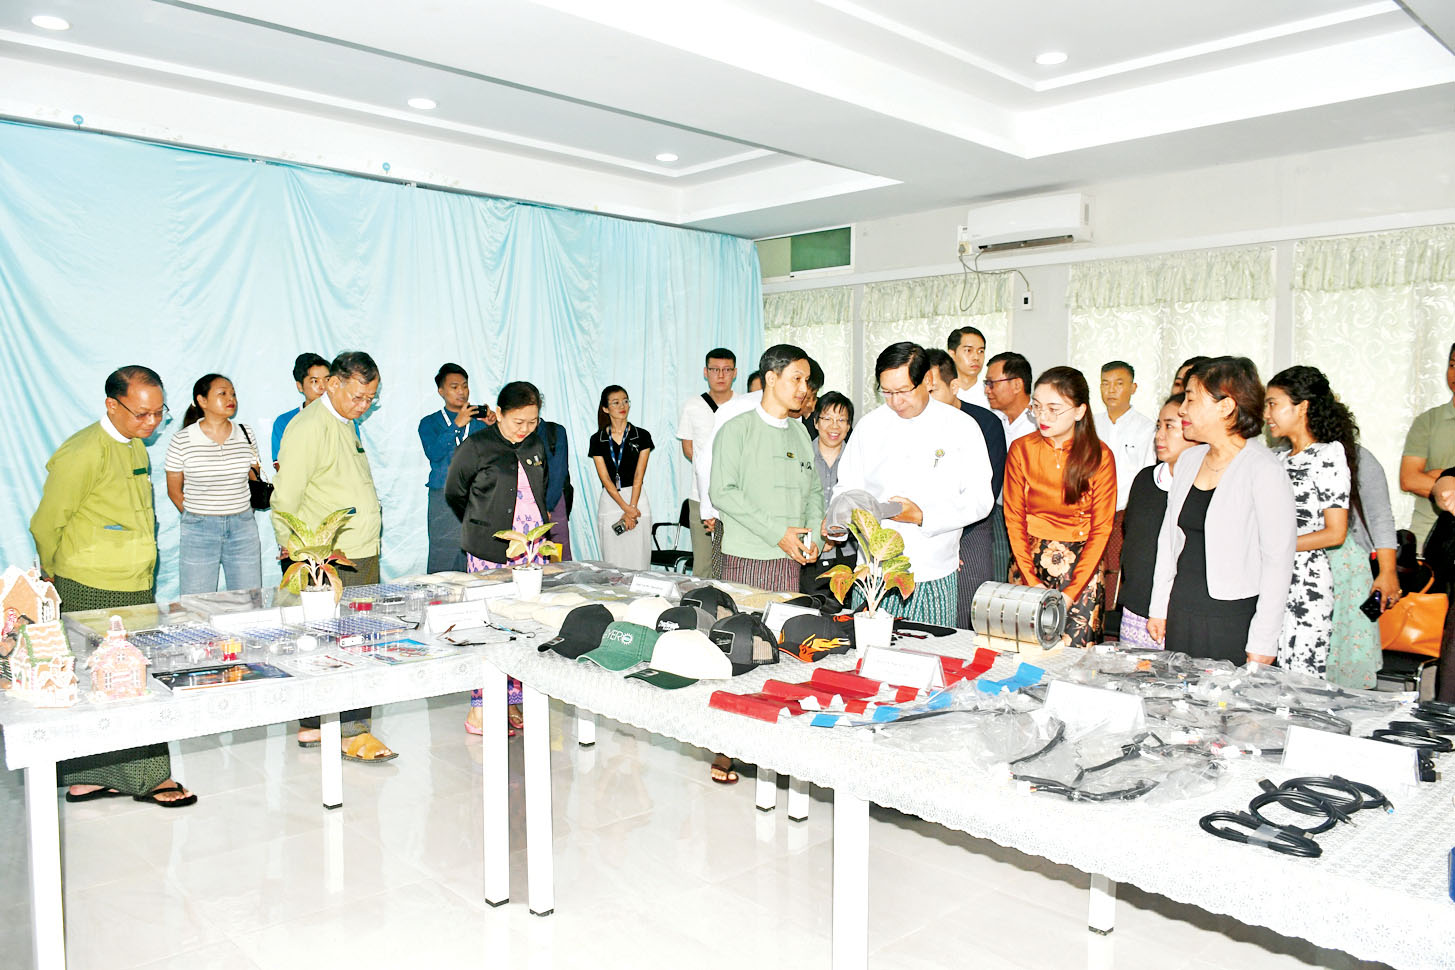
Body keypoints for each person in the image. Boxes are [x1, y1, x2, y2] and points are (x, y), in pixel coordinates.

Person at [30, 365, 196, 808]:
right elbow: (46, 522)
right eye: (142, 414)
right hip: (91, 583)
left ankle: (89, 778)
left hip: (134, 581)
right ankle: (148, 777)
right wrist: (52, 573)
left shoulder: (135, 445)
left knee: (121, 678)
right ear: (111, 405)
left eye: (159, 412)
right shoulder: (82, 452)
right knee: (113, 680)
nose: (152, 422)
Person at [272, 351, 396, 763]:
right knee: (349, 641)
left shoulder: (345, 422)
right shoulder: (309, 428)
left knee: (339, 638)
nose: (364, 406)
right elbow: (285, 499)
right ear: (332, 384)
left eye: (371, 399)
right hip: (330, 560)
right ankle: (352, 732)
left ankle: (314, 724)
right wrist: (297, 558)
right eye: (358, 397)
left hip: (358, 550)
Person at [1147, 358, 1296, 664]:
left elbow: (1278, 561)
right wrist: (1159, 607)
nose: (1183, 409)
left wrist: (1264, 639)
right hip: (1182, 608)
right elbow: (1169, 540)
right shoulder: (1189, 460)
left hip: (1231, 616)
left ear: (1226, 406)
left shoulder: (1263, 469)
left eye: (1191, 399)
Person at [833, 343, 993, 625]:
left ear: (927, 380)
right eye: (887, 392)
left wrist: (923, 516)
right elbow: (847, 487)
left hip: (931, 570)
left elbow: (980, 500)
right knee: (867, 649)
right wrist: (838, 515)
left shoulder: (961, 427)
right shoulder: (869, 426)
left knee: (931, 648)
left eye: (904, 391)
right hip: (874, 572)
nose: (896, 401)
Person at [446, 381, 550, 735]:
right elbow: (455, 492)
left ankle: (512, 700)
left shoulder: (535, 443)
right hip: (490, 551)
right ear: (500, 414)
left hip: (530, 551)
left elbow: (543, 489)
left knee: (525, 625)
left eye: (532, 422)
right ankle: (479, 709)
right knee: (490, 628)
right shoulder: (476, 446)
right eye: (518, 421)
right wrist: (482, 523)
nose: (525, 429)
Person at [1265, 366, 1379, 687]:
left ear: (1301, 407)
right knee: (1267, 679)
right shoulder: (1276, 459)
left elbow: (1335, 532)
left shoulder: (1328, 455)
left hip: (1306, 584)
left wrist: (1276, 547)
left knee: (1300, 682)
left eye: (1273, 404)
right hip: (1271, 577)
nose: (1267, 414)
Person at [1003, 366, 1116, 648]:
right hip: (1028, 558)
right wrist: (1031, 580)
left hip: (1082, 565)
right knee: (1025, 650)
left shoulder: (1099, 456)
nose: (1043, 417)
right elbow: (1014, 519)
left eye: (1054, 409)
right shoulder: (1021, 449)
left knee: (1075, 654)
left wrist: (1072, 591)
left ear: (1079, 411)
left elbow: (1102, 528)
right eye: (1037, 407)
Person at [709, 344, 824, 592]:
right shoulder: (736, 430)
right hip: (746, 558)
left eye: (806, 381)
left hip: (791, 559)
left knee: (785, 618)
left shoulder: (801, 433)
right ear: (771, 378)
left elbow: (814, 492)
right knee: (744, 618)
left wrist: (814, 539)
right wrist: (778, 534)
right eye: (796, 379)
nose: (804, 389)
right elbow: (722, 492)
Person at [924, 349, 1007, 628]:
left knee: (967, 614)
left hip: (972, 528)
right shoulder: (918, 424)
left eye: (933, 390)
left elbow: (987, 492)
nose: (926, 399)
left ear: (954, 386)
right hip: (926, 528)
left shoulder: (985, 424)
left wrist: (953, 538)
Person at [164, 373, 263, 594]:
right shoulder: (182, 440)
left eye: (233, 394)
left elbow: (253, 477)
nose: (231, 399)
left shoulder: (245, 433)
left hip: (243, 527)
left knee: (249, 598)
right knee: (197, 601)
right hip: (199, 529)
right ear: (202, 400)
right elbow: (174, 491)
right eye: (222, 394)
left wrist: (242, 511)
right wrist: (198, 516)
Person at [1117, 394, 1193, 648]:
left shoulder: (1203, 488)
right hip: (1137, 606)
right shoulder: (1145, 480)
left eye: (1170, 426)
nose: (1159, 435)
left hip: (1179, 613)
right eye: (1158, 426)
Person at [1095, 361, 1156, 616]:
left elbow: (1147, 477)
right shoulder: (1090, 425)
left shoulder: (1147, 428)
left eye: (1119, 384)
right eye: (1105, 383)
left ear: (1133, 388)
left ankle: (1112, 628)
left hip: (1124, 515)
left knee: (1117, 576)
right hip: (1092, 514)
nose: (1111, 390)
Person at [418, 363, 489, 573]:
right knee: (444, 554)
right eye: (454, 387)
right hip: (444, 495)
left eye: (465, 386)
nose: (461, 391)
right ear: (441, 391)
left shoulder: (479, 423)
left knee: (477, 553)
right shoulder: (429, 423)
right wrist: (456, 425)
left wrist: (495, 427)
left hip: (477, 496)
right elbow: (434, 453)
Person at [676, 348, 737, 578]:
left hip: (734, 496)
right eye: (714, 369)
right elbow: (688, 448)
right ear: (705, 372)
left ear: (734, 373)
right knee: (703, 564)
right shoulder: (692, 405)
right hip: (699, 494)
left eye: (726, 370)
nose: (720, 375)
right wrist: (709, 470)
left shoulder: (744, 405)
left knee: (732, 562)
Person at [984, 351, 1035, 589]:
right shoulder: (994, 422)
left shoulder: (1039, 425)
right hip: (999, 514)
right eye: (986, 384)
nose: (987, 390)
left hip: (1032, 520)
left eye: (992, 383)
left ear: (1017, 385)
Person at [590, 385, 654, 570]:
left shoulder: (641, 435)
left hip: (637, 499)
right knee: (614, 560)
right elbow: (605, 479)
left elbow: (639, 476)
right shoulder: (597, 439)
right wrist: (625, 508)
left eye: (625, 401)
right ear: (605, 408)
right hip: (611, 500)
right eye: (616, 402)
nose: (622, 406)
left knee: (639, 558)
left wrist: (632, 508)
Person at [1400, 343, 1455, 545]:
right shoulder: (1428, 421)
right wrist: (1446, 483)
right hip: (1427, 539)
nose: (1454, 373)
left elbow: (1420, 480)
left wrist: (1439, 476)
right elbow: (1409, 479)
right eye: (1452, 365)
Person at [802, 391, 855, 595]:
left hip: (848, 556)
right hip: (807, 556)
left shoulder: (857, 462)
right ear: (816, 422)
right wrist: (819, 538)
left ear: (848, 426)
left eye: (841, 420)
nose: (835, 426)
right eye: (827, 419)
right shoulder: (801, 457)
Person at [271, 352, 329, 470]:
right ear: (300, 386)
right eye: (315, 381)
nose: (323, 387)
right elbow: (281, 467)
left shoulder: (344, 419)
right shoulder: (284, 422)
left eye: (327, 380)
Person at [539, 414, 573, 561]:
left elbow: (558, 471)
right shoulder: (513, 433)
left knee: (559, 557)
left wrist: (547, 506)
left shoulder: (554, 432)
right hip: (524, 505)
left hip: (554, 500)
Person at [948, 326, 989, 408]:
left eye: (980, 351)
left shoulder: (991, 394)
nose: (976, 357)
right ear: (952, 354)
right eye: (968, 350)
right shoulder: (943, 391)